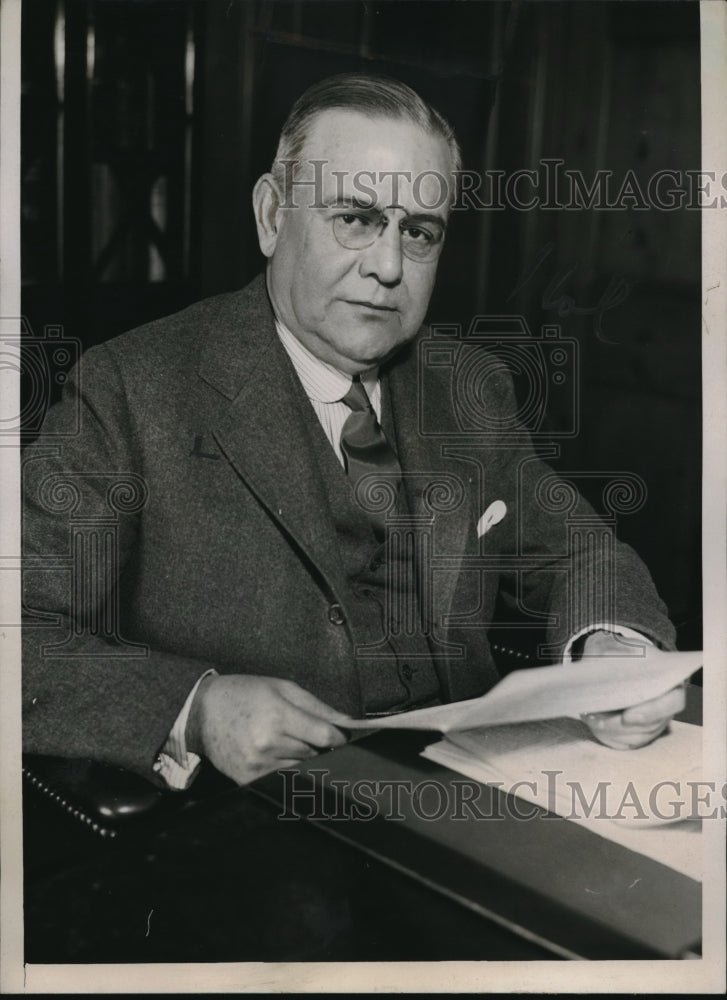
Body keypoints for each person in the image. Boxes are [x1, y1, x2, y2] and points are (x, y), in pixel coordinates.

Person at [22, 74, 683, 790]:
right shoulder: (131, 387)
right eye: (356, 219)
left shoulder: (466, 388)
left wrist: (612, 644)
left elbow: (577, 552)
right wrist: (197, 705)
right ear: (272, 216)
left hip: (468, 795)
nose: (389, 267)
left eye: (418, 233)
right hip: (252, 825)